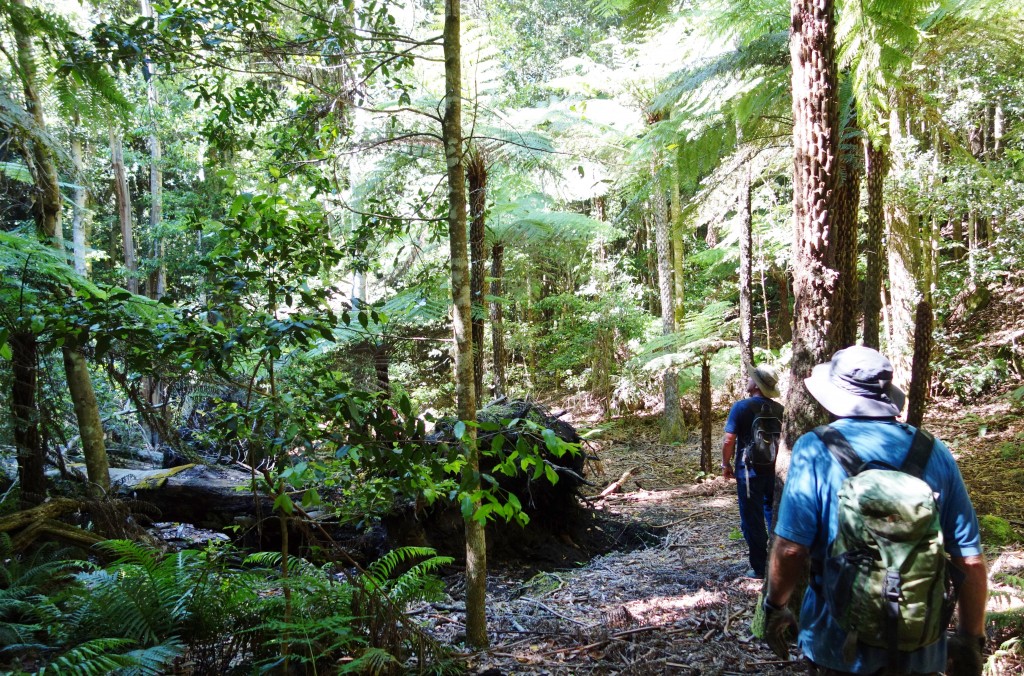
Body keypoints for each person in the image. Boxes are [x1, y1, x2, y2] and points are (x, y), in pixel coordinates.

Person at [762, 346, 988, 675]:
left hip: (836, 644)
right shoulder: (933, 451)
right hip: (919, 646)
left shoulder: (815, 448)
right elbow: (969, 559)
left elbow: (791, 548)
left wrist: (775, 606)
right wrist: (971, 638)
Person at [722, 363, 784, 579]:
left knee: (752, 519)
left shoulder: (741, 407)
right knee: (773, 514)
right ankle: (778, 562)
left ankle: (759, 568)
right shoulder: (779, 410)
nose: (747, 380)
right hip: (775, 471)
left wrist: (725, 464)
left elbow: (729, 439)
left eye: (750, 379)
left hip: (748, 473)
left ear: (756, 385)